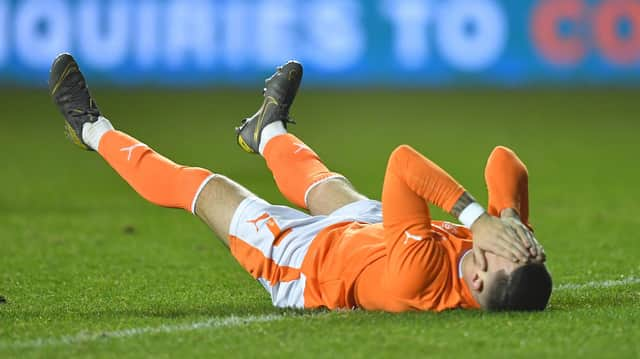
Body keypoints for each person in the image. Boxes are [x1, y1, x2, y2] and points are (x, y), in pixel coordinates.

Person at [48, 54, 551, 312]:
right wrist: (507, 217)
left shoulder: (418, 280)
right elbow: (506, 161)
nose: (510, 242)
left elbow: (403, 163)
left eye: (504, 246)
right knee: (328, 186)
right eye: (522, 244)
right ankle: (266, 130)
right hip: (370, 240)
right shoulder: (500, 257)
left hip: (307, 264)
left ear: (479, 281)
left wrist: (477, 217)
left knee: (205, 186)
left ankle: (90, 128)